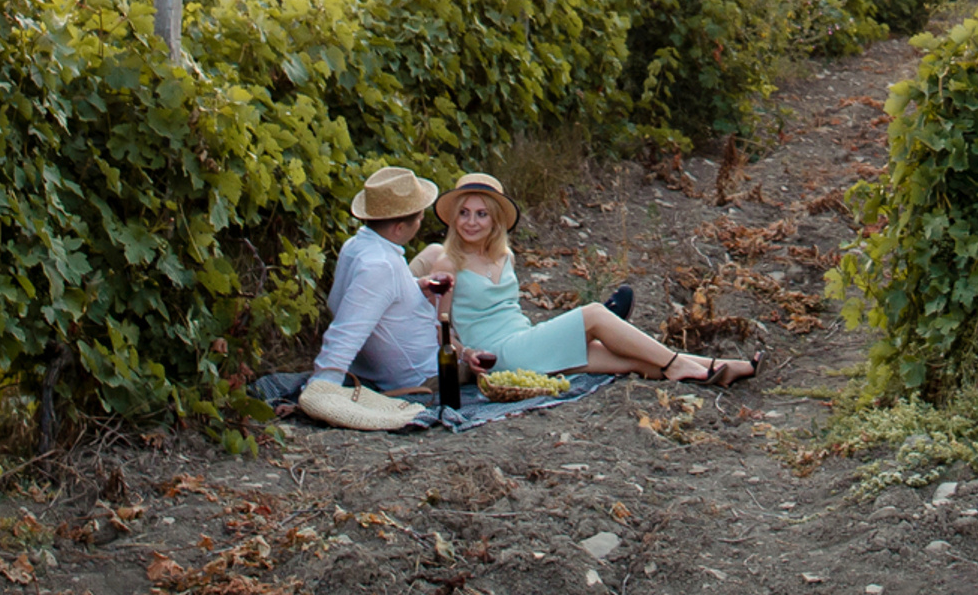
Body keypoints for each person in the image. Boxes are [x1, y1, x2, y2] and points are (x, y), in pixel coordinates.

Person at [410, 172, 759, 388]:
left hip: (524, 339)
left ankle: (715, 369)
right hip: (498, 356)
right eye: (464, 214)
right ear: (454, 219)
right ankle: (676, 363)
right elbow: (443, 331)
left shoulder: (504, 255)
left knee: (622, 357)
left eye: (481, 214)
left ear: (496, 221)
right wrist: (468, 353)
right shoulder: (448, 261)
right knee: (593, 314)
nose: (471, 222)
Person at [298, 165, 484, 431]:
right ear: (399, 228)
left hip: (386, 364)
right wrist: (324, 383)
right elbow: (347, 330)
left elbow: (354, 300)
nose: (421, 223)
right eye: (419, 218)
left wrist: (416, 288)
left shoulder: (357, 246)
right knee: (494, 358)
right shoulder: (381, 267)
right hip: (421, 375)